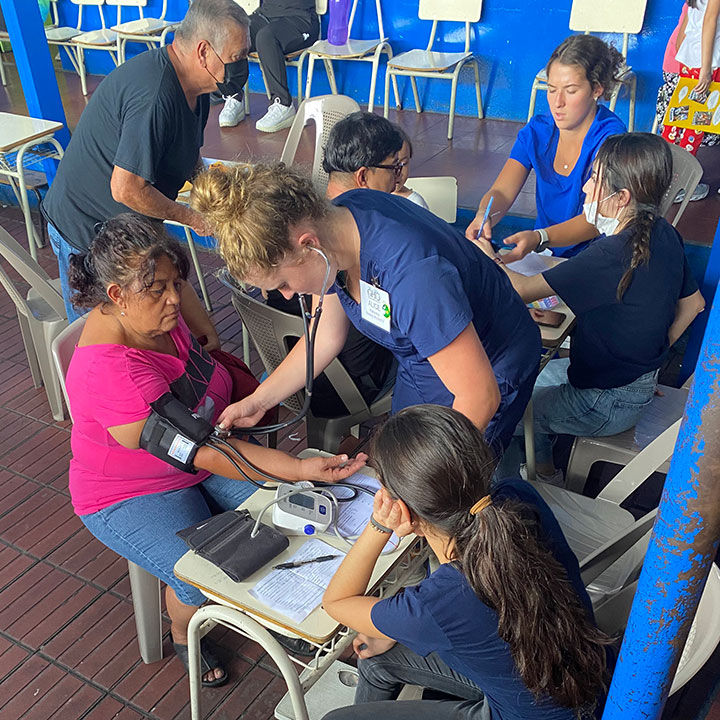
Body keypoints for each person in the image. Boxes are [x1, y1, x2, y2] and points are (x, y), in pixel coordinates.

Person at [65, 214, 367, 687]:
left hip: (201, 456)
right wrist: (295, 466)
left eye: (176, 282)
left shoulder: (155, 308)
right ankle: (185, 632)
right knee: (200, 575)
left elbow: (197, 331)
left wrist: (205, 332)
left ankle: (295, 618)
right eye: (158, 290)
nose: (173, 298)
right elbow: (201, 452)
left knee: (285, 516)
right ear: (117, 296)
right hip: (129, 492)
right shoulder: (113, 372)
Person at [191, 163, 542, 453]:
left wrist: (429, 476)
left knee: (446, 490)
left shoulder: (412, 277)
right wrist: (259, 400)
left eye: (282, 283)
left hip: (490, 364)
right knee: (402, 459)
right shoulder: (339, 224)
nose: (285, 296)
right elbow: (325, 334)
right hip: (423, 362)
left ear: (308, 245)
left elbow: (479, 396)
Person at [321, 404, 613, 720]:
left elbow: (336, 602)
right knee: (377, 658)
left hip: (522, 712)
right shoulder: (517, 496)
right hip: (585, 679)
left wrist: (379, 524)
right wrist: (399, 627)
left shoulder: (434, 604)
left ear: (403, 511)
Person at [477, 133, 705, 483]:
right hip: (631, 384)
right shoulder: (663, 233)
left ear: (622, 197)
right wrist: (650, 364)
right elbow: (694, 305)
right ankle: (546, 467)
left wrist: (484, 253)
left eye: (595, 179)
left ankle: (519, 492)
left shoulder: (611, 253)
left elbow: (519, 288)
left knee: (504, 410)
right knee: (527, 381)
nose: (585, 188)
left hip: (605, 402)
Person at [41, 0, 250, 322]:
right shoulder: (155, 96)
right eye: (237, 58)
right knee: (103, 340)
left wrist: (217, 194)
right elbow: (126, 189)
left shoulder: (197, 87)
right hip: (86, 230)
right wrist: (194, 219)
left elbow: (187, 150)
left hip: (126, 229)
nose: (242, 66)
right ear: (204, 51)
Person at [465, 35, 626, 261]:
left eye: (570, 91)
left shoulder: (610, 138)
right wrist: (484, 215)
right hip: (544, 251)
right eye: (551, 89)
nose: (557, 102)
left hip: (593, 257)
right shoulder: (538, 131)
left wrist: (540, 237)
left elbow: (596, 219)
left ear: (596, 89)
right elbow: (501, 191)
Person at [216, 0, 319, 131]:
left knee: (266, 37)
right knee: (231, 31)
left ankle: (283, 104)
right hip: (265, 15)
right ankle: (234, 95)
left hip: (300, 19)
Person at [659, 0, 720, 162]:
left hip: (689, 59)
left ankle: (663, 167)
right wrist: (706, 69)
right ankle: (681, 172)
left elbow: (686, 22)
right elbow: (710, 20)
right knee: (697, 123)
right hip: (706, 63)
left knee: (678, 118)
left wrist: (684, 54)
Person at [392, 126, 429, 210]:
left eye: (404, 164)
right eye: (392, 165)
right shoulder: (368, 198)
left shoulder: (416, 204)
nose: (398, 172)